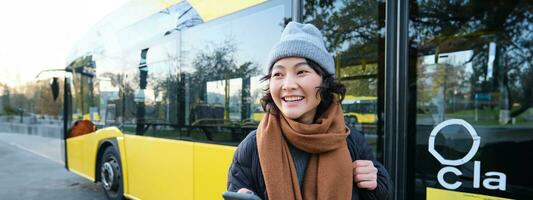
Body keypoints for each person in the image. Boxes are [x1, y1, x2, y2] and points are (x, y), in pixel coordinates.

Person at [227, 22, 391, 200]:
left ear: (324, 81)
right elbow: (236, 189)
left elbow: (381, 194)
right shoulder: (252, 147)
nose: (288, 85)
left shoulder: (350, 140)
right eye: (278, 74)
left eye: (301, 72)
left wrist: (375, 184)